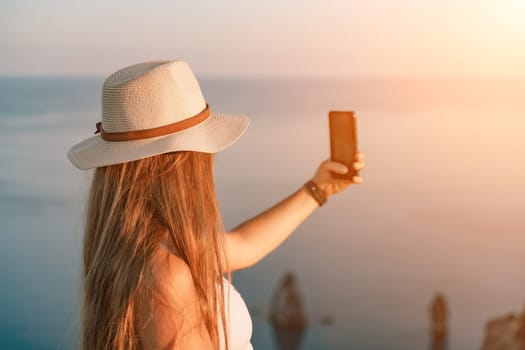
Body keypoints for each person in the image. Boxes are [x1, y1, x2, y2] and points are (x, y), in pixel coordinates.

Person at [67, 60, 366, 350]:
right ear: (182, 162)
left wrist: (318, 189)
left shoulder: (147, 243)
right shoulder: (167, 275)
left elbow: (243, 244)